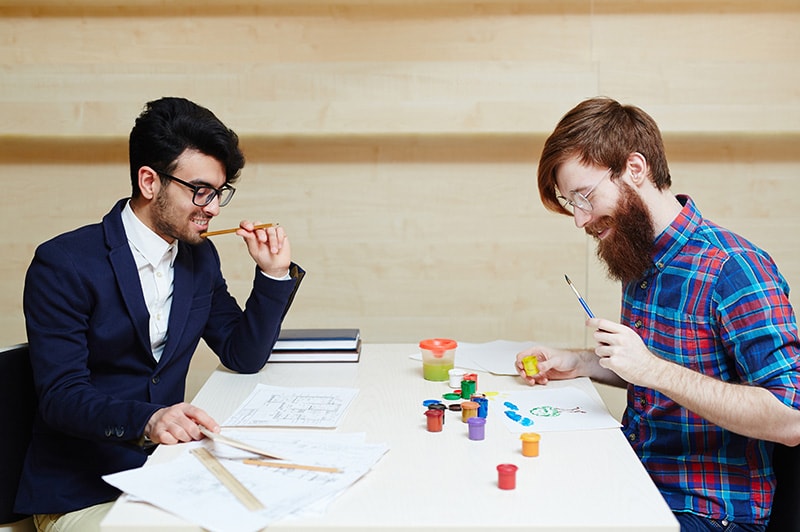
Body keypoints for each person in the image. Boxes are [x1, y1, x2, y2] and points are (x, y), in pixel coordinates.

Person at [15, 97, 304, 531]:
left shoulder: (198, 258)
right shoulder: (64, 263)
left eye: (218, 193)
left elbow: (242, 354)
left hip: (168, 473)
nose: (212, 208)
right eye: (199, 191)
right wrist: (148, 420)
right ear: (150, 182)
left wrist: (273, 274)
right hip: (81, 490)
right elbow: (61, 397)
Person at [515, 97, 800, 531]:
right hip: (636, 480)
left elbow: (790, 417)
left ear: (634, 168)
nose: (580, 219)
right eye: (571, 202)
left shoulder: (733, 268)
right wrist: (580, 363)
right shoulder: (639, 252)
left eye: (585, 196)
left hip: (706, 510)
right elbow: (659, 370)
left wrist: (652, 368)